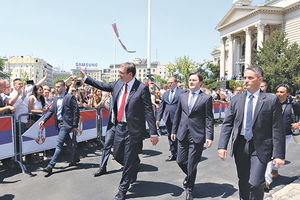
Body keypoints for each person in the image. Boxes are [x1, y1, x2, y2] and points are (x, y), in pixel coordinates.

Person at [80, 62, 159, 200]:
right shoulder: (118, 84)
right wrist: (86, 78)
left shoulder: (141, 88)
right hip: (119, 127)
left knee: (128, 159)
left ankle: (122, 190)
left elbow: (148, 111)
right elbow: (102, 85)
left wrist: (153, 132)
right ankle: (134, 166)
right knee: (117, 155)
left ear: (130, 74)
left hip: (133, 130)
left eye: (121, 73)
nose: (118, 75)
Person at [218, 66, 285, 200]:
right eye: (245, 78)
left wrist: (279, 154)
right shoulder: (236, 100)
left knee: (255, 183)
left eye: (250, 78)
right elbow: (227, 124)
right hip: (241, 145)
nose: (246, 81)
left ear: (259, 80)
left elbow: (277, 129)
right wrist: (222, 146)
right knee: (243, 181)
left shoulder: (271, 100)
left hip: (260, 147)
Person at [171, 73, 214, 200]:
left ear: (200, 83)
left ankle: (189, 189)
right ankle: (190, 176)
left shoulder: (206, 98)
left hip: (197, 135)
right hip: (182, 133)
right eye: (189, 80)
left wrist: (209, 136)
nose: (191, 82)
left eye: (194, 80)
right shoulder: (182, 96)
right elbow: (178, 114)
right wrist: (173, 130)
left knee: (192, 164)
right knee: (180, 160)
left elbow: (209, 118)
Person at [39, 80, 80, 175]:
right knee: (69, 142)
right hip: (59, 124)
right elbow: (51, 111)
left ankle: (50, 166)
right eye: (56, 87)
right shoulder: (56, 99)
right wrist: (44, 120)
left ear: (64, 87)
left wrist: (75, 125)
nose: (57, 88)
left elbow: (76, 111)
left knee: (59, 144)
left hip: (66, 124)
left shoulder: (70, 97)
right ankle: (76, 158)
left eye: (59, 87)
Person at [264, 84, 297, 189]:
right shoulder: (271, 103)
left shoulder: (294, 104)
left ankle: (274, 170)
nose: (279, 94)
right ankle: (266, 181)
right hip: (271, 134)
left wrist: (298, 124)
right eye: (277, 91)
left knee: (277, 156)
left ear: (287, 94)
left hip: (285, 135)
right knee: (270, 156)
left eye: (282, 92)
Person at [156, 77, 185, 161]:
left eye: (171, 82)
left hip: (179, 119)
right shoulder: (165, 94)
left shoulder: (182, 92)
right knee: (170, 136)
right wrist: (158, 119)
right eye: (168, 83)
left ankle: (181, 154)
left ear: (176, 83)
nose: (169, 84)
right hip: (168, 118)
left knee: (179, 136)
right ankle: (173, 154)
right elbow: (162, 107)